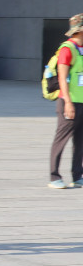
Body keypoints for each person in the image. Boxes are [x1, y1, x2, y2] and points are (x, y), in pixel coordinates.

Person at [49, 13, 83, 188]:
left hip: (82, 101)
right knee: (61, 138)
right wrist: (68, 103)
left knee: (80, 141)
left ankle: (77, 176)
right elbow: (62, 78)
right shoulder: (67, 49)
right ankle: (54, 177)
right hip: (69, 102)